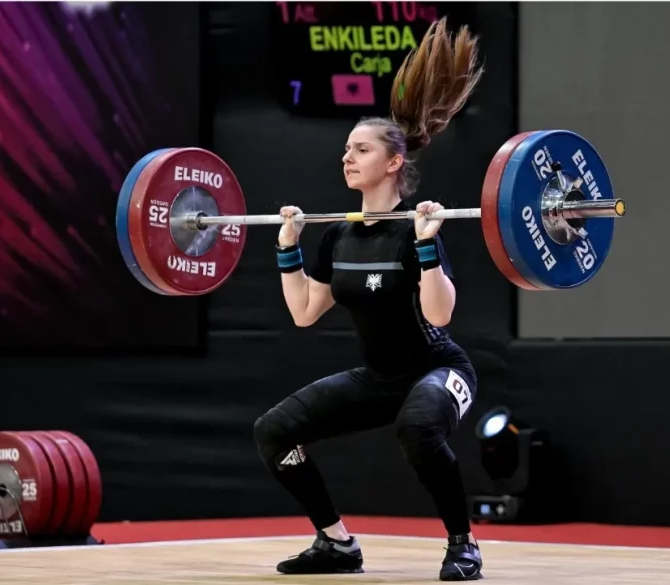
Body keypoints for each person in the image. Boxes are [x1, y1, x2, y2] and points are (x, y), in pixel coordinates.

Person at [253, 17, 485, 582]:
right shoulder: (338, 235)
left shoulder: (414, 229)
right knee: (274, 431)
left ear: (393, 162)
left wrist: (427, 247)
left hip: (438, 369)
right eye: (346, 150)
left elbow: (440, 314)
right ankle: (336, 544)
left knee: (418, 428)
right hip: (381, 378)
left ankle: (464, 545)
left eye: (361, 149)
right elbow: (304, 312)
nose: (347, 158)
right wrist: (287, 248)